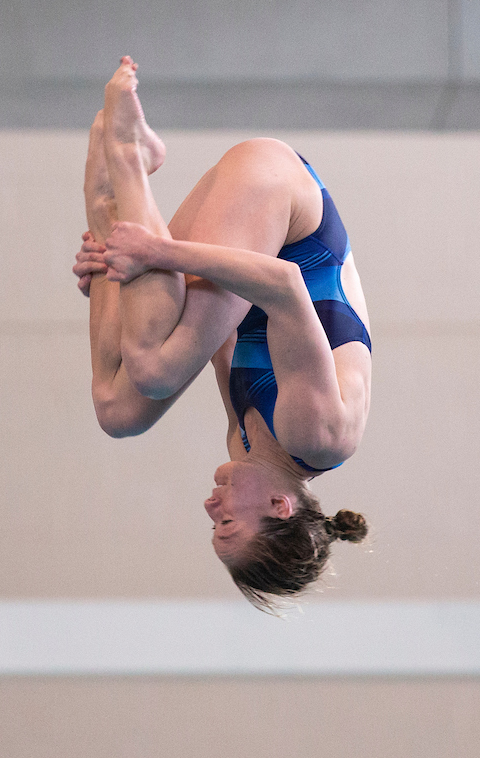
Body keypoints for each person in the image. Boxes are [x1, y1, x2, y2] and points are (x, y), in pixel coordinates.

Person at [73, 57, 372, 611]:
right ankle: (126, 158)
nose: (211, 508)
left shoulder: (249, 447)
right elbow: (284, 284)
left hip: (244, 241)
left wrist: (116, 284)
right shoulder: (319, 436)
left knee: (120, 411)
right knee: (157, 369)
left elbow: (213, 338)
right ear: (281, 507)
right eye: (228, 522)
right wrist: (157, 253)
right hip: (283, 200)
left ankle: (108, 200)